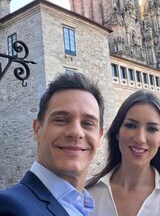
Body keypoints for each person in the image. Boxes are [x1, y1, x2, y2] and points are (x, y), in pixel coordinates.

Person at [86, 90, 160, 216]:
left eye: (152, 129)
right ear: (117, 132)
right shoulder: (86, 192)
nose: (140, 138)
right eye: (131, 126)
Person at [0, 72, 104, 216]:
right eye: (61, 120)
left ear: (99, 137)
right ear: (37, 130)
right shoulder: (8, 207)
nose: (76, 132)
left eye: (88, 123)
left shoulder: (88, 208)